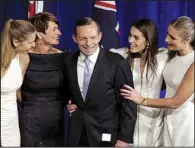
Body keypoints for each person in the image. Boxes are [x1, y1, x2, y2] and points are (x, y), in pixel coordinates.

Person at [68, 18, 168, 147]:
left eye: (136, 37)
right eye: (130, 35)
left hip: (151, 122)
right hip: (117, 124)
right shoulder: (119, 56)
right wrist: (74, 101)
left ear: (148, 40)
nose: (130, 40)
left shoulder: (163, 58)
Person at [120, 16, 194, 147]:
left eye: (172, 37)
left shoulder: (185, 60)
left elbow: (176, 101)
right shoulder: (171, 56)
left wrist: (142, 100)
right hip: (167, 119)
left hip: (184, 120)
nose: (166, 40)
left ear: (187, 40)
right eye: (167, 34)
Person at [64, 17, 137, 147]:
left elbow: (128, 102)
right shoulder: (69, 61)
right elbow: (69, 91)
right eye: (83, 38)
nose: (88, 43)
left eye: (92, 37)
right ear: (74, 38)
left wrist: (124, 138)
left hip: (105, 135)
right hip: (77, 135)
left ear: (100, 36)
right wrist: (71, 101)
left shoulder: (116, 62)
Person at [19, 12, 70, 146]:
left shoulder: (63, 57)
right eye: (54, 29)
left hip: (57, 119)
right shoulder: (23, 57)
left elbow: (69, 88)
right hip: (30, 121)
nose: (59, 33)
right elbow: (16, 89)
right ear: (40, 34)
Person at [1, 19, 36, 147]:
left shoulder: (23, 59)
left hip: (12, 119)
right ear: (16, 42)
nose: (33, 45)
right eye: (30, 42)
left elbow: (17, 91)